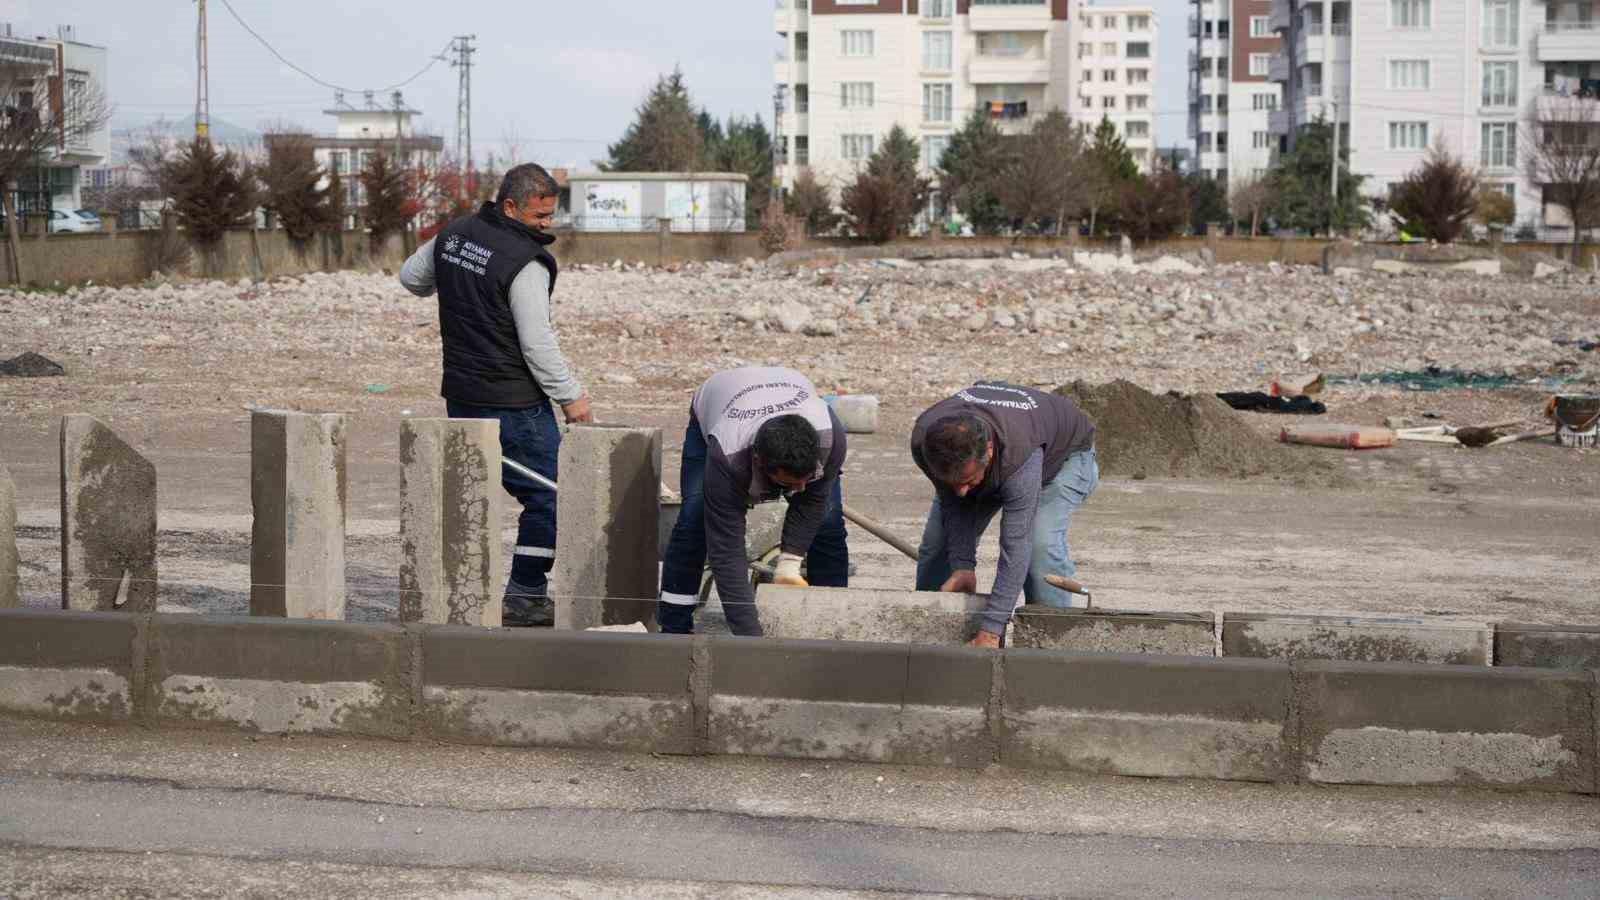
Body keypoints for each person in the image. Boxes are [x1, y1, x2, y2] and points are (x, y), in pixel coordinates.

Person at [398, 163, 592, 627]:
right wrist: (571, 397)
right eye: (539, 215)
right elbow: (537, 343)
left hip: (461, 395)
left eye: (551, 214)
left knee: (477, 488)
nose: (548, 224)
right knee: (555, 495)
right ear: (510, 206)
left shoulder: (457, 233)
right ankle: (524, 595)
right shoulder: (525, 262)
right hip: (514, 403)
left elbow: (411, 277)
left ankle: (462, 595)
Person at [658, 367, 850, 636]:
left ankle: (830, 626)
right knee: (694, 520)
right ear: (759, 463)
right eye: (789, 483)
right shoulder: (727, 453)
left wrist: (789, 565)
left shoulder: (830, 436)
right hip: (719, 398)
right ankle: (674, 627)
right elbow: (726, 551)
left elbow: (812, 502)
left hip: (786, 384)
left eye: (806, 478)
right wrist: (750, 639)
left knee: (828, 523)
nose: (801, 489)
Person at [910, 382, 1097, 648]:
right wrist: (962, 565)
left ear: (988, 451)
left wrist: (991, 630)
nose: (962, 492)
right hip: (1000, 457)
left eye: (968, 480)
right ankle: (924, 635)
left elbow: (1016, 546)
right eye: (955, 483)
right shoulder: (925, 441)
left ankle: (1050, 646)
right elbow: (955, 501)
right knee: (939, 544)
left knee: (1040, 548)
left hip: (1064, 457)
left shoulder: (1019, 454)